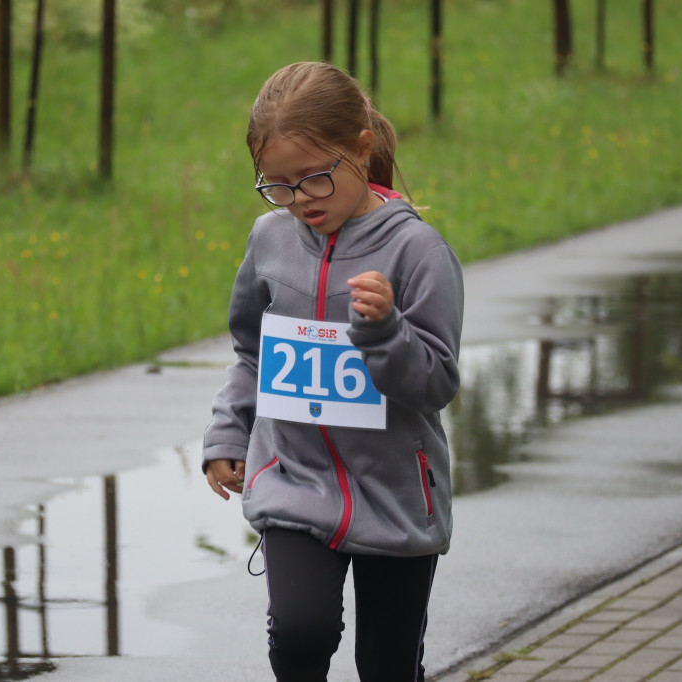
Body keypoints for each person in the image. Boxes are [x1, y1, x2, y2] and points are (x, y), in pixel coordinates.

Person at [202, 61, 464, 682]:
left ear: (360, 148)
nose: (299, 201)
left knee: (387, 664)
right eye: (278, 185)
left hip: (398, 492)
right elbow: (252, 352)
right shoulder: (269, 240)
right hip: (292, 480)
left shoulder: (418, 252)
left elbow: (436, 382)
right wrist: (227, 434)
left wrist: (384, 332)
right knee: (299, 634)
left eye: (315, 180)